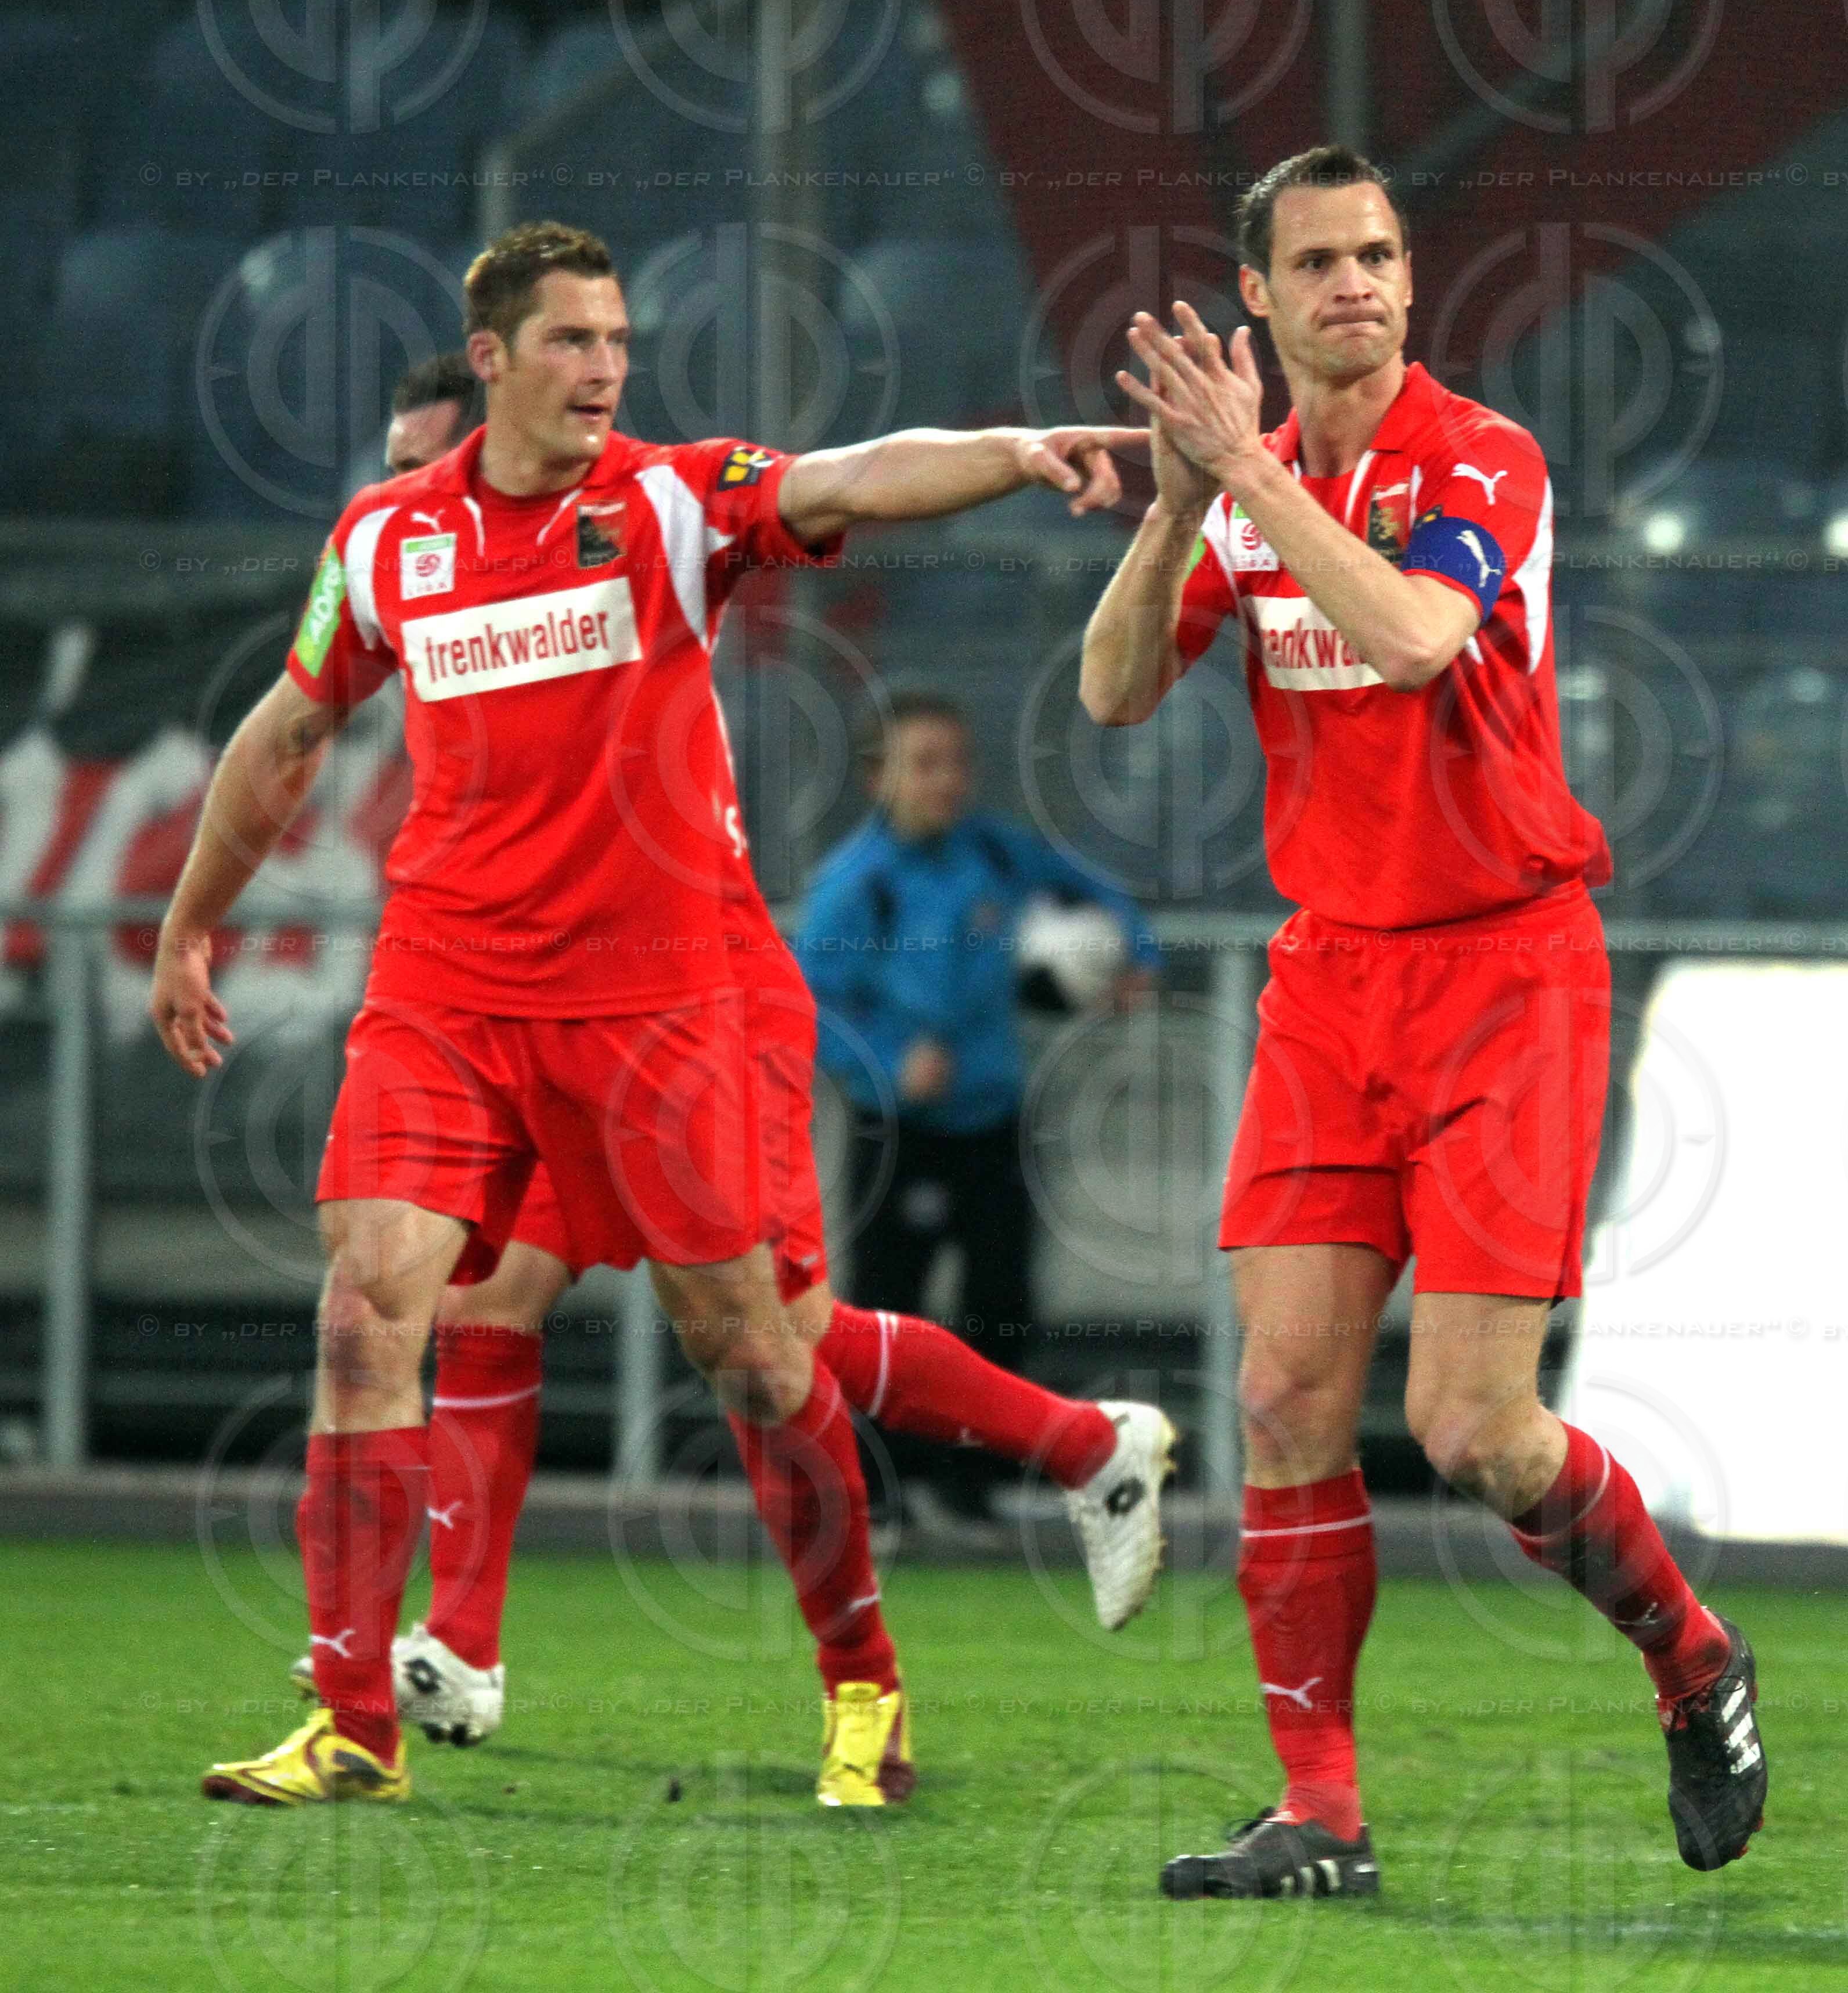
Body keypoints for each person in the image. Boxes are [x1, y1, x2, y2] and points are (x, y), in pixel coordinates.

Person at [152, 220, 1145, 1808]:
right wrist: (192, 922)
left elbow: (848, 477)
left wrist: (1015, 453)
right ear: (493, 361)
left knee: (756, 1357)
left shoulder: (671, 500)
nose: (606, 368)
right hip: (450, 987)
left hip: (656, 997)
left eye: (617, 341)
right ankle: (356, 1721)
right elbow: (284, 735)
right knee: (365, 1317)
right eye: (571, 342)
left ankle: (865, 1689)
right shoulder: (390, 540)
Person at [1082, 145, 1765, 1900]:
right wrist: (1177, 506)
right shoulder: (1241, 489)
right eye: (1315, 263)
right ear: (1259, 295)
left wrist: (1249, 478)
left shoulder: (1482, 455)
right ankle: (1322, 1817)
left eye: (1377, 254)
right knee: (1286, 1392)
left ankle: (1692, 1659)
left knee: (1477, 1432)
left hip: (1505, 972)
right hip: (1333, 978)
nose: (1357, 286)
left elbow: (1405, 638)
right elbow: (1111, 689)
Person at [799, 686, 1159, 1524]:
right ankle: (877, 1497)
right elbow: (812, 1004)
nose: (947, 782)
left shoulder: (994, 854)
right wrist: (892, 1061)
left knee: (1001, 1305)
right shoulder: (857, 883)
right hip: (899, 1129)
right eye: (925, 764)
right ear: (876, 777)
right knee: (886, 1312)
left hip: (995, 1118)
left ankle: (972, 1488)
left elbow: (1100, 895)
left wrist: (1131, 956)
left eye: (957, 763)